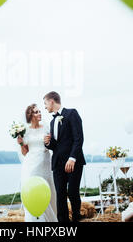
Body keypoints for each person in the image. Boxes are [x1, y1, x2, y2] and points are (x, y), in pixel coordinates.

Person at [43, 91, 86, 222]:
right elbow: (56, 146)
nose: (44, 107)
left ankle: (76, 219)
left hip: (73, 162)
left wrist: (72, 158)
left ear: (51, 101)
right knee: (60, 195)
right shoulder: (52, 122)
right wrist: (48, 143)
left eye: (45, 103)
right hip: (57, 163)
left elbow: (78, 138)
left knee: (73, 193)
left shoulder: (72, 113)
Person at [17, 103, 57, 222]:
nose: (39, 113)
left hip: (45, 163)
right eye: (36, 112)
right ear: (30, 115)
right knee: (33, 192)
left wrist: (49, 142)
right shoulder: (25, 131)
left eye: (39, 111)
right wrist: (20, 143)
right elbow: (25, 152)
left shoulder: (46, 127)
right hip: (31, 165)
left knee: (48, 192)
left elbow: (52, 145)